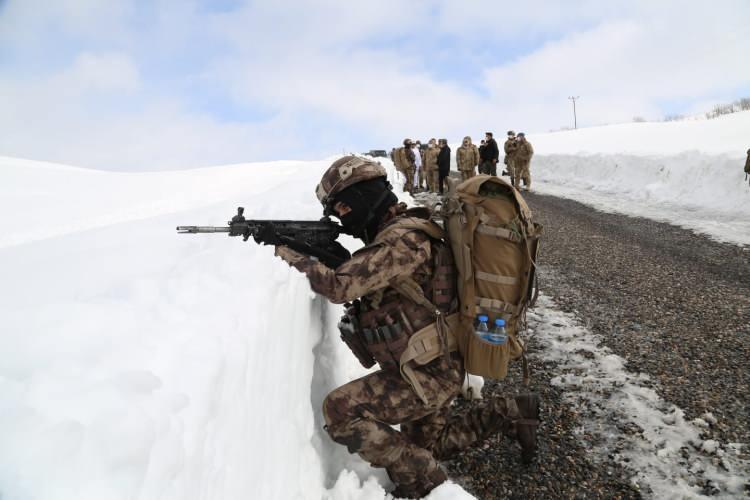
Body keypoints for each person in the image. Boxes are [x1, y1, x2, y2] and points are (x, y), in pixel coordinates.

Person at [271, 156, 539, 498]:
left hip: (430, 375)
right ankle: (512, 411)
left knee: (340, 411)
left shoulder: (401, 240)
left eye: (343, 207)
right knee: (431, 444)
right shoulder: (406, 230)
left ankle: (425, 481)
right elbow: (372, 275)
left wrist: (291, 253)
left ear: (365, 196)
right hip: (434, 363)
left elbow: (339, 287)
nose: (341, 217)